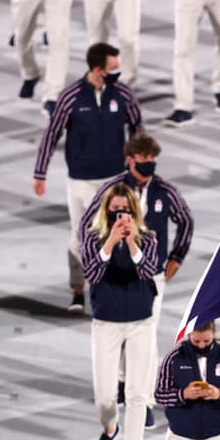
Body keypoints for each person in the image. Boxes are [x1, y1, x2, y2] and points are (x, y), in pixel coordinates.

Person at [86, 134, 193, 422]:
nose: (150, 163)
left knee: (147, 335)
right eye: (144, 158)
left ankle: (144, 400)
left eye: (153, 158)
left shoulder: (165, 192)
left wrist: (177, 257)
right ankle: (123, 382)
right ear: (130, 160)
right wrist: (94, 257)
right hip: (111, 275)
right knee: (117, 334)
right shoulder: (113, 191)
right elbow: (87, 223)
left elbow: (186, 220)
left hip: (148, 275)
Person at [33, 43, 144, 313]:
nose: (118, 74)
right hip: (80, 180)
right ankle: (78, 290)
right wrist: (40, 172)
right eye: (113, 69)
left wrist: (138, 168)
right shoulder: (71, 97)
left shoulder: (124, 95)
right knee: (79, 236)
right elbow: (52, 134)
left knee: (119, 234)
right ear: (97, 69)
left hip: (115, 182)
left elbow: (137, 129)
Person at [80, 184, 160, 440]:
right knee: (104, 397)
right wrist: (111, 242)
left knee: (137, 395)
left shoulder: (148, 238)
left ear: (134, 212)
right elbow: (91, 273)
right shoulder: (93, 238)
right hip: (107, 322)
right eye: (115, 210)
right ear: (106, 211)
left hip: (141, 322)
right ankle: (110, 428)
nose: (120, 216)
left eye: (125, 210)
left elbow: (149, 270)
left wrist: (132, 244)